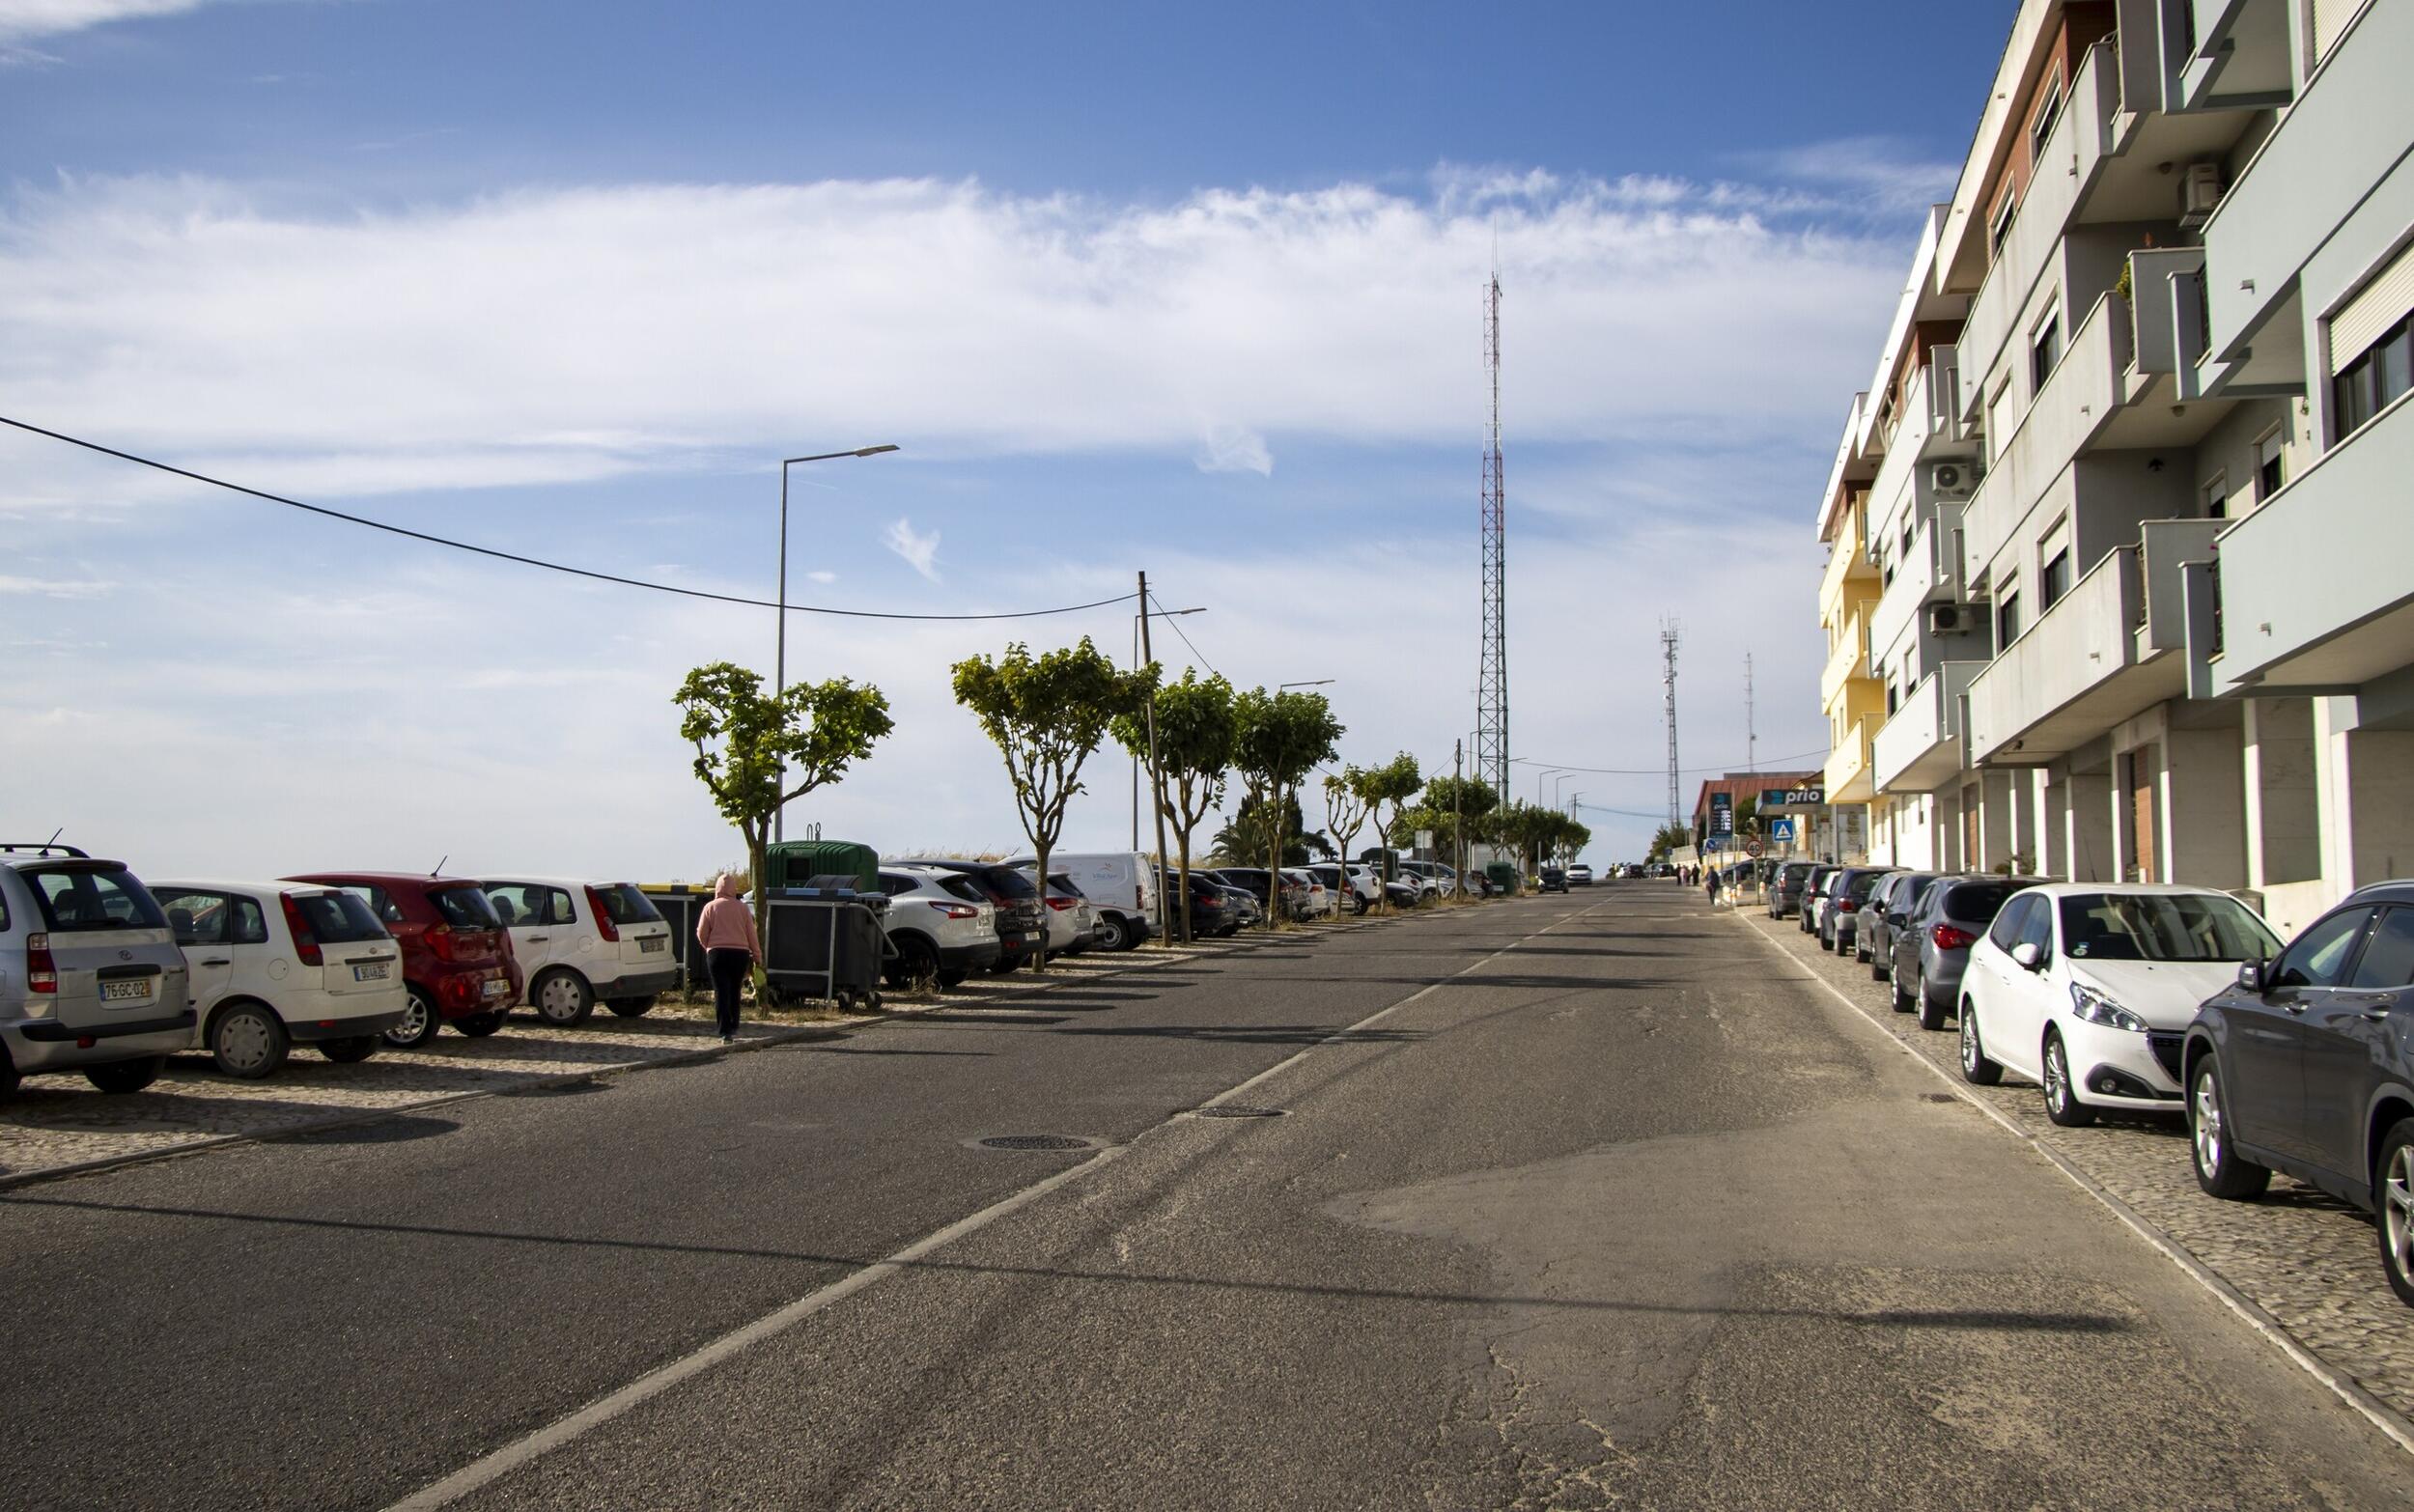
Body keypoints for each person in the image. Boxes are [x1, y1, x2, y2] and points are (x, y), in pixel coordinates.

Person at [694, 872, 761, 1044]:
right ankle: (734, 1024)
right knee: (735, 989)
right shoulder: (743, 908)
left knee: (721, 991)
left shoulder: (710, 907)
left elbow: (701, 932)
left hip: (717, 953)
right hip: (739, 954)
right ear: (733, 889)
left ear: (717, 888)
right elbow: (751, 934)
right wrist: (757, 956)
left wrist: (709, 947)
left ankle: (725, 1031)